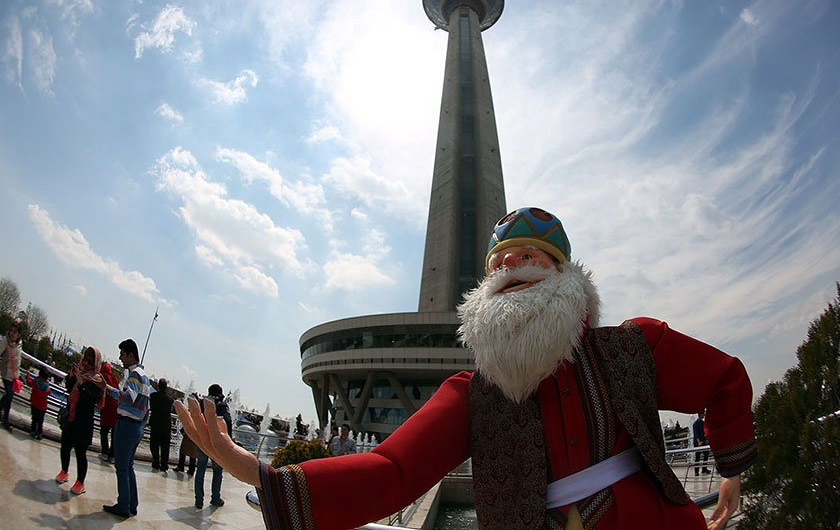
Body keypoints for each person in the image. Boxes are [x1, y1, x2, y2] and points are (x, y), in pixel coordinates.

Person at [177, 206, 757, 530]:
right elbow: (391, 471)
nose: (510, 268)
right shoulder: (475, 394)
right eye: (499, 262)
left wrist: (730, 471)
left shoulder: (631, 348)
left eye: (526, 256)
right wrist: (254, 470)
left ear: (561, 272)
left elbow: (725, 378)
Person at [99, 339, 151, 518]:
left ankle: (123, 506)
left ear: (130, 355)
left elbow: (129, 397)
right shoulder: (145, 376)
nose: (120, 358)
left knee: (121, 467)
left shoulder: (135, 375)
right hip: (137, 427)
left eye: (122, 354)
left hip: (127, 426)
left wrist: (107, 388)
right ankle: (132, 505)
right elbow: (147, 407)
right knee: (128, 467)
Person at [55, 346, 105, 495]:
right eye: (85, 360)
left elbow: (91, 399)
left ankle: (80, 482)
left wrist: (82, 383)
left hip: (84, 420)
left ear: (96, 363)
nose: (86, 364)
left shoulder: (98, 380)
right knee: (65, 445)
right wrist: (72, 377)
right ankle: (64, 471)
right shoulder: (79, 373)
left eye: (90, 362)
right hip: (72, 415)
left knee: (80, 452)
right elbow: (69, 389)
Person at [194, 383, 232, 509]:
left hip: (203, 441)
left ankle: (199, 499)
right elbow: (227, 421)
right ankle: (215, 498)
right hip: (216, 444)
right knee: (217, 470)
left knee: (200, 469)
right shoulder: (222, 405)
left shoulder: (203, 403)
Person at [0, 320, 23, 432]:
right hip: (6, 374)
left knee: (9, 398)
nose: (12, 334)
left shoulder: (19, 344)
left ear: (19, 335)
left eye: (15, 332)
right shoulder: (5, 341)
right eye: (11, 331)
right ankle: (4, 416)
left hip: (14, 376)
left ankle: (5, 418)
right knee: (9, 395)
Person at [149, 378, 174, 472]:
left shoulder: (153, 396)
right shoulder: (170, 400)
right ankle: (164, 465)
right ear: (166, 387)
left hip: (155, 423)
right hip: (166, 424)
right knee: (165, 446)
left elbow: (151, 408)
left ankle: (156, 462)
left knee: (154, 444)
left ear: (158, 386)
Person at [97, 362, 120, 462]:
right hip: (115, 409)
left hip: (106, 408)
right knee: (114, 434)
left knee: (104, 432)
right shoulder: (115, 379)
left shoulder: (102, 377)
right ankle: (112, 455)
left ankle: (104, 452)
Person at [26, 366, 52, 439]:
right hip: (42, 406)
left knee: (34, 419)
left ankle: (33, 431)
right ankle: (39, 433)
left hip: (34, 403)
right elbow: (49, 392)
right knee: (40, 421)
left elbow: (29, 383)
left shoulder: (36, 381)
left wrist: (28, 375)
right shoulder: (47, 386)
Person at [693, 411, 711, 476]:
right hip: (697, 443)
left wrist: (706, 439)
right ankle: (696, 471)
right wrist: (698, 442)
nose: (704, 415)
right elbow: (696, 434)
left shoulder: (703, 423)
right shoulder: (695, 424)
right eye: (703, 414)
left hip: (703, 441)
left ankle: (704, 469)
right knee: (697, 457)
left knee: (706, 454)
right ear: (700, 415)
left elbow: (705, 432)